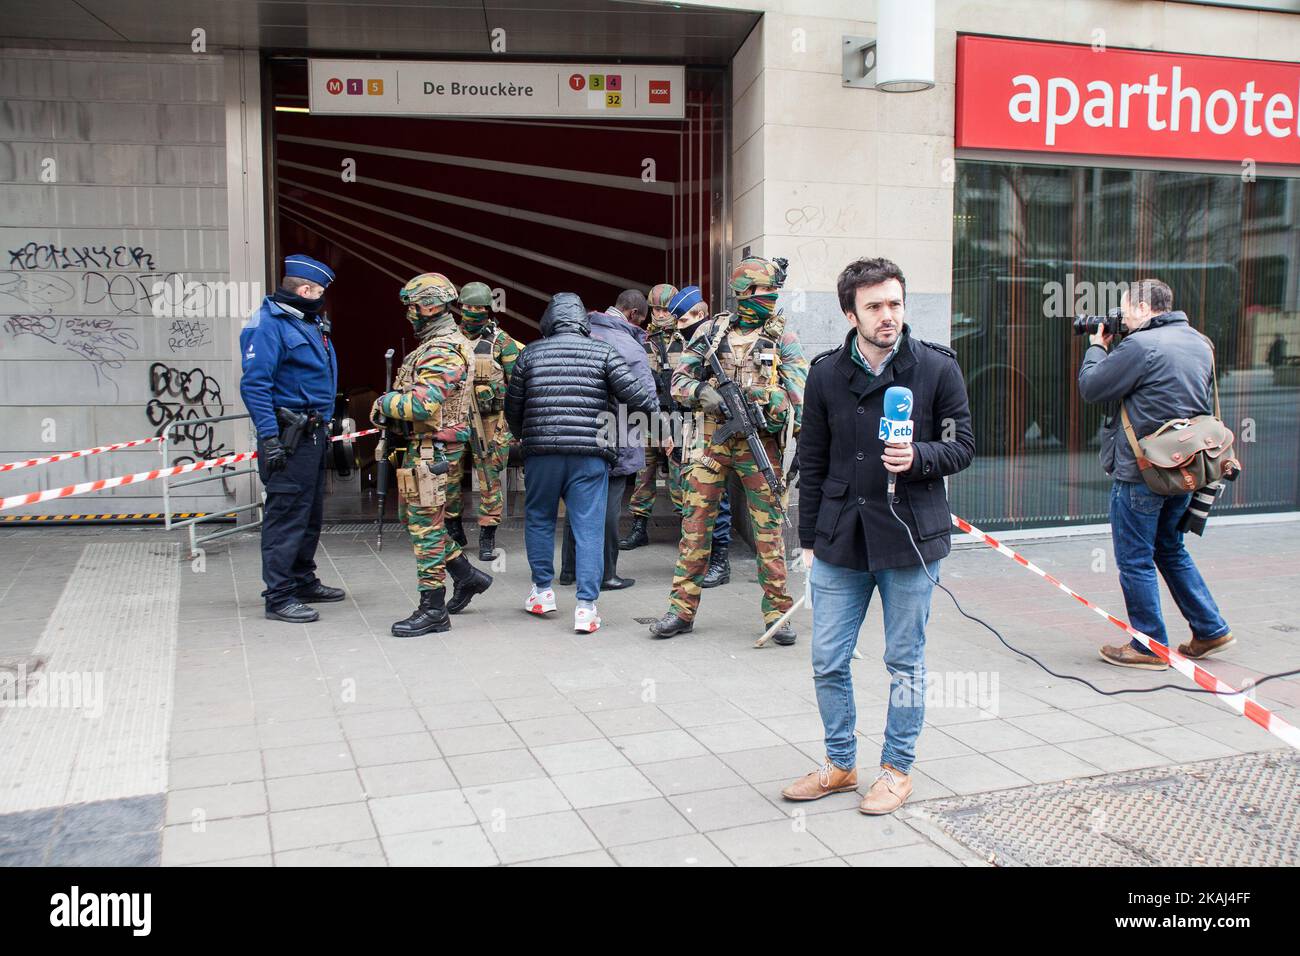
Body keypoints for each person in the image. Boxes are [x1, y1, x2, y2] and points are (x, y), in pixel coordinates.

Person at [781, 257, 974, 815]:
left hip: (910, 535)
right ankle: (840, 764)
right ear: (851, 313)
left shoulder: (936, 369)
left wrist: (917, 456)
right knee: (827, 659)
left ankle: (896, 768)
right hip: (841, 536)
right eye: (874, 307)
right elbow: (812, 461)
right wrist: (810, 539)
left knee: (904, 660)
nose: (888, 315)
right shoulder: (822, 374)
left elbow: (962, 446)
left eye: (894, 303)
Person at [1078, 278, 1235, 668]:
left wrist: (1097, 347)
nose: (1123, 318)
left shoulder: (1140, 345)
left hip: (1142, 471)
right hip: (1185, 466)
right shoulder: (1200, 342)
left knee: (1135, 559)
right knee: (1170, 549)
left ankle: (1149, 646)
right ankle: (1211, 628)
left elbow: (1092, 387)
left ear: (1146, 309)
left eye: (1126, 309)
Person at [649, 259, 807, 643]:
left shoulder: (783, 339)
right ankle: (680, 611)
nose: (766, 298)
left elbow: (800, 397)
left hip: (759, 444)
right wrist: (705, 393)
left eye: (770, 292)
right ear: (742, 294)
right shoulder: (710, 332)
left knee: (768, 530)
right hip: (710, 441)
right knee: (695, 526)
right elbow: (679, 382)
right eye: (758, 292)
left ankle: (778, 614)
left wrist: (768, 397)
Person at [505, 293, 658, 632]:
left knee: (540, 519)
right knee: (588, 525)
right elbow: (639, 397)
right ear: (581, 321)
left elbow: (512, 408)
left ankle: (542, 592)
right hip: (591, 454)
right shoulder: (603, 352)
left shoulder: (530, 353)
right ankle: (586, 609)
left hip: (542, 454)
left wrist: (524, 435)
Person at [372, 273, 493, 638]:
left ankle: (433, 608)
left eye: (412, 306)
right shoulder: (438, 343)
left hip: (433, 450)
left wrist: (382, 404)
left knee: (425, 528)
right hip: (426, 448)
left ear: (428, 306)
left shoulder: (442, 349)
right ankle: (466, 575)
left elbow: (423, 404)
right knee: (422, 522)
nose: (409, 313)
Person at [239, 254, 345, 624]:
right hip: (287, 437)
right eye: (318, 292)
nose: (321, 298)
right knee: (285, 517)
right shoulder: (268, 325)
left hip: (312, 434)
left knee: (309, 514)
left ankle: (302, 579)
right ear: (304, 290)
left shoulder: (305, 321)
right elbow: (255, 385)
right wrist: (269, 437)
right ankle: (279, 595)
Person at [559, 289, 657, 590]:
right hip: (615, 435)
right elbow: (646, 398)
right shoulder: (629, 346)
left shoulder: (581, 332)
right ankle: (606, 573)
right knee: (607, 509)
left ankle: (568, 570)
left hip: (576, 433)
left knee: (579, 501)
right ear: (634, 315)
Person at [446, 280, 523, 562]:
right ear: (460, 308)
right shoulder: (448, 340)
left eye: (479, 308)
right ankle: (453, 528)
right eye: (468, 307)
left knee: (490, 479)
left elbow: (518, 385)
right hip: (453, 420)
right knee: (449, 475)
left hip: (489, 422)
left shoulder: (501, 342)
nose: (473, 312)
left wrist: (510, 419)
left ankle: (488, 534)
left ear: (488, 310)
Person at [619, 283, 685, 550]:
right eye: (655, 308)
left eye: (665, 309)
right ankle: (639, 527)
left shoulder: (687, 340)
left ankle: (686, 529)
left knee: (679, 478)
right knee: (642, 476)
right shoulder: (639, 339)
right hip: (646, 418)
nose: (659, 314)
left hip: (678, 419)